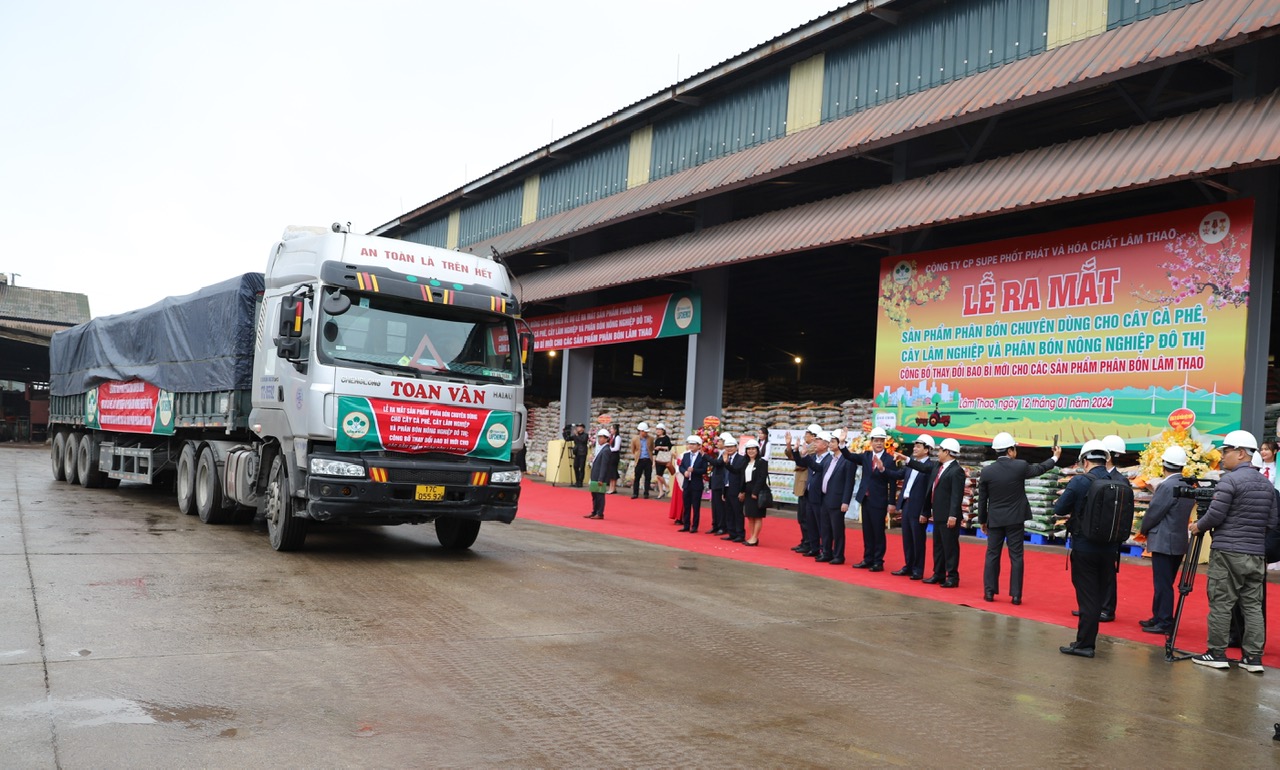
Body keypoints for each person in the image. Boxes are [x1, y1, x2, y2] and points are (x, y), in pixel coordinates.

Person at [1188, 429, 1278, 673]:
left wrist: (1198, 526)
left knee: (1221, 603)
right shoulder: (1266, 485)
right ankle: (1253, 658)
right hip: (1256, 554)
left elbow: (1216, 514)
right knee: (1252, 605)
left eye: (1226, 451)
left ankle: (1216, 653)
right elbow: (1271, 523)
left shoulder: (1230, 480)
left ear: (1240, 453)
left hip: (1228, 551)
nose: (1222, 455)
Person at [1053, 440, 1120, 658]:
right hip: (1110, 549)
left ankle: (1084, 644)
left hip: (1085, 548)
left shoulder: (1080, 481)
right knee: (1098, 595)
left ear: (1085, 460)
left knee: (1087, 597)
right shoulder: (1119, 482)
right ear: (1105, 459)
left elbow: (1059, 508)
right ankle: (1086, 641)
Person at [977, 431, 1061, 605]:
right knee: (1016, 556)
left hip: (995, 520)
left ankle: (989, 592)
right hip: (1015, 519)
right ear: (1010, 450)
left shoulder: (987, 471)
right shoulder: (1020, 466)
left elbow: (983, 499)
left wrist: (982, 521)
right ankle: (1016, 596)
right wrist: (1055, 457)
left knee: (992, 555)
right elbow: (1040, 469)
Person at [1137, 446, 1195, 635]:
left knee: (1162, 584)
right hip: (1178, 540)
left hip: (1163, 540)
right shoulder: (1187, 485)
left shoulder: (1167, 486)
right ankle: (1158, 616)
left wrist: (1143, 529)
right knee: (1165, 581)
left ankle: (1163, 621)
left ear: (1164, 465)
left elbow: (1154, 512)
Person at [841, 427, 903, 571]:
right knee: (867, 531)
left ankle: (878, 561)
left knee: (878, 531)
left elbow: (893, 482)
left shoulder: (889, 459)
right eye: (876, 441)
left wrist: (891, 502)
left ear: (885, 443)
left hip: (880, 500)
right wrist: (842, 443)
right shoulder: (866, 456)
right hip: (866, 499)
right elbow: (850, 456)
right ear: (871, 442)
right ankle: (867, 558)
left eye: (881, 441)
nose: (879, 443)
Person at [891, 435, 937, 580]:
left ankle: (918, 569)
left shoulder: (930, 466)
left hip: (919, 507)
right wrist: (881, 469)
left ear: (927, 449)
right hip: (907, 504)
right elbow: (898, 475)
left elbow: (922, 469)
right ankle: (908, 565)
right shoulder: (911, 465)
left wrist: (906, 459)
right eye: (915, 446)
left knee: (918, 539)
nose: (915, 449)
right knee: (907, 539)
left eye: (918, 446)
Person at [922, 438, 965, 587]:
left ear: (947, 452)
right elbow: (923, 468)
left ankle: (952, 576)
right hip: (938, 513)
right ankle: (938, 573)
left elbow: (956, 495)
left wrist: (953, 515)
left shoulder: (956, 471)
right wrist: (907, 460)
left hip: (949, 516)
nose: (938, 453)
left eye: (940, 450)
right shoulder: (939, 467)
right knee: (938, 546)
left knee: (950, 547)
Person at [785, 424, 822, 556]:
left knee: (807, 518)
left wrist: (796, 452)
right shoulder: (808, 448)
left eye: (808, 433)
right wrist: (789, 446)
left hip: (808, 486)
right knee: (802, 517)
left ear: (813, 436)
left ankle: (809, 543)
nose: (805, 435)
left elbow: (799, 461)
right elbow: (794, 458)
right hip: (803, 485)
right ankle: (806, 541)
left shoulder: (813, 449)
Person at [712, 434, 748, 543]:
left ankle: (740, 534)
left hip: (736, 489)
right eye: (727, 447)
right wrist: (723, 490)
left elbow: (740, 475)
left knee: (737, 512)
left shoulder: (741, 459)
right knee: (728, 512)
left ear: (736, 447)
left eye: (731, 446)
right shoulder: (724, 458)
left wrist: (742, 491)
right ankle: (732, 533)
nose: (729, 449)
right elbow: (724, 476)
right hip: (726, 488)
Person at [676, 435, 709, 533]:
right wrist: (684, 472)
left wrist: (694, 470)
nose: (691, 446)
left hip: (696, 484)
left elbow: (704, 470)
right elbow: (681, 466)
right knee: (686, 505)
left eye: (693, 444)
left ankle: (694, 526)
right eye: (690, 444)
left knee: (696, 506)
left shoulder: (702, 456)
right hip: (687, 483)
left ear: (699, 446)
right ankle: (686, 525)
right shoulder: (686, 455)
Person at [740, 437, 770, 546]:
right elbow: (743, 478)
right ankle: (752, 536)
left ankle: (755, 537)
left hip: (757, 492)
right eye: (748, 449)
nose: (751, 451)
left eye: (753, 449)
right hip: (748, 492)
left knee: (757, 516)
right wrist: (742, 491)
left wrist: (755, 492)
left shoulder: (762, 462)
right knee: (750, 516)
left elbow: (762, 478)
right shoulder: (746, 462)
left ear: (757, 450)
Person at [584, 428, 612, 520]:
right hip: (595, 475)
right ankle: (594, 511)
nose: (599, 439)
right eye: (599, 437)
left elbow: (604, 466)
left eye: (601, 437)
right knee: (594, 495)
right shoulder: (601, 449)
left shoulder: (606, 450)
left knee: (600, 496)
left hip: (599, 477)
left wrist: (601, 478)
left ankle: (600, 513)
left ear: (606, 438)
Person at [707, 436, 729, 535]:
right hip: (715, 482)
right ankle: (715, 524)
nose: (717, 443)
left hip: (720, 483)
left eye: (719, 441)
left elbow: (717, 463)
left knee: (720, 506)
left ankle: (722, 526)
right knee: (715, 506)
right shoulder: (719, 453)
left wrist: (705, 455)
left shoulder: (725, 453)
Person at [631, 422, 654, 499]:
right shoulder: (635, 439)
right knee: (637, 477)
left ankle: (646, 493)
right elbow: (633, 449)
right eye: (645, 431)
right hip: (639, 460)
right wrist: (637, 455)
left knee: (648, 477)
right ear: (640, 431)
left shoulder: (651, 438)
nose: (646, 433)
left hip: (648, 459)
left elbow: (652, 448)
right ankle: (635, 493)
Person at [652, 423, 673, 499]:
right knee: (658, 476)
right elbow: (654, 451)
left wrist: (660, 447)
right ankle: (661, 492)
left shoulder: (666, 438)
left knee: (659, 475)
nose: (657, 431)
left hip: (663, 458)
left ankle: (667, 486)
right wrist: (653, 461)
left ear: (663, 430)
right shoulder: (657, 439)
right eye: (657, 429)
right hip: (657, 458)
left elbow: (669, 447)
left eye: (659, 429)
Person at [606, 424, 622, 494]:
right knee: (610, 471)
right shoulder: (611, 437)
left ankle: (612, 488)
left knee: (613, 472)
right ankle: (612, 487)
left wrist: (609, 449)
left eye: (612, 429)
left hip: (614, 456)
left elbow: (616, 448)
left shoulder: (617, 437)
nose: (610, 430)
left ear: (615, 430)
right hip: (611, 456)